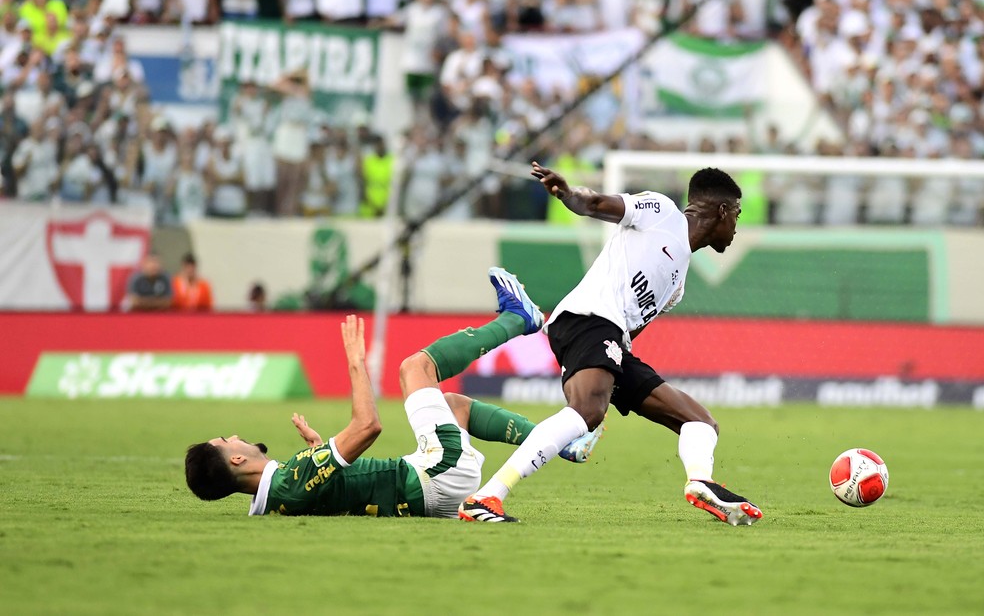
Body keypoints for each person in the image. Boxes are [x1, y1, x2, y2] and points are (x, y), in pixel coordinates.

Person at [459, 164, 763, 526]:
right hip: (587, 319)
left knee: (699, 422)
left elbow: (631, 330)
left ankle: (701, 481)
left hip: (613, 339)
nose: (736, 227)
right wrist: (569, 194)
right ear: (723, 212)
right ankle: (487, 496)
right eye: (737, 216)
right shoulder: (662, 212)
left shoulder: (677, 282)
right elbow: (598, 202)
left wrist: (618, 373)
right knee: (588, 411)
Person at [185, 268, 601, 517]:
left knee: (453, 406)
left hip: (429, 494)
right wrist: (355, 361)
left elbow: (320, 486)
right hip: (435, 474)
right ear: (236, 459)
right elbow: (368, 426)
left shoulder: (278, 495)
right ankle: (520, 317)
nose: (234, 435)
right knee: (415, 368)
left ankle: (566, 442)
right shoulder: (290, 481)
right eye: (226, 441)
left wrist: (317, 452)